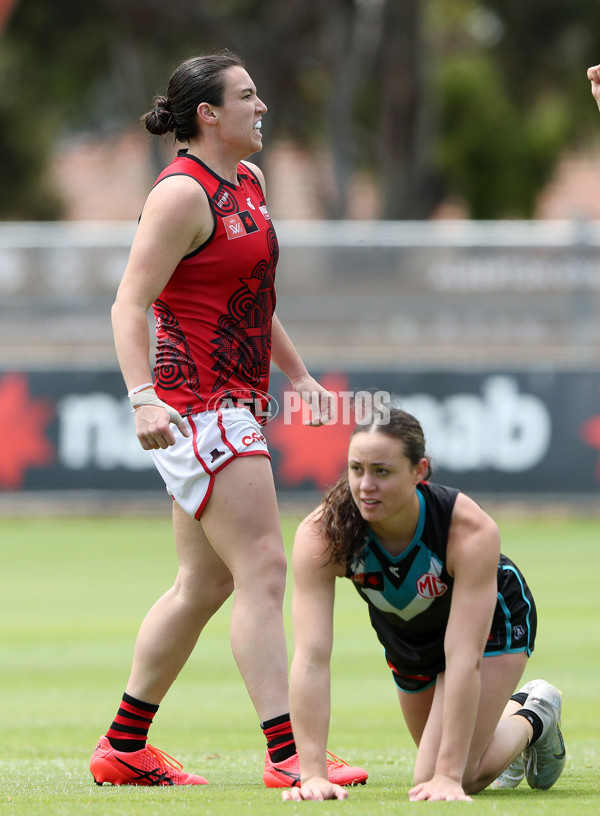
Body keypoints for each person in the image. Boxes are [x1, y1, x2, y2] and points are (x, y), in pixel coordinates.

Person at [89, 50, 367, 789]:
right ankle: (290, 756)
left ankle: (123, 746)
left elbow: (253, 298)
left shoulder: (248, 181)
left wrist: (299, 375)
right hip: (198, 407)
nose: (263, 105)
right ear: (207, 114)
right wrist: (142, 395)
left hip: (236, 404)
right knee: (266, 570)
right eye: (247, 96)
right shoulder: (181, 194)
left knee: (202, 585)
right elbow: (128, 303)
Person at [282, 407, 566, 802]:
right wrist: (312, 775)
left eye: (382, 471)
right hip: (408, 636)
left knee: (448, 773)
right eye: (356, 469)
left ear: (419, 471)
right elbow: (311, 658)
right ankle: (502, 737)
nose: (365, 485)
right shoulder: (322, 534)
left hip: (490, 626)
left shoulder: (467, 528)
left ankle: (536, 713)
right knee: (447, 759)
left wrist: (449, 777)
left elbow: (464, 655)